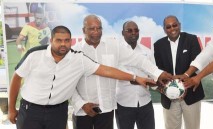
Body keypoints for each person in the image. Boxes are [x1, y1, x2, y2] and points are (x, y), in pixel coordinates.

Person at [7, 25, 156, 129]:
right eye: (59, 40)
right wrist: (12, 108)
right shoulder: (34, 54)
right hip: (30, 111)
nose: (63, 44)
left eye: (67, 40)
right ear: (51, 40)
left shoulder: (78, 58)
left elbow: (106, 70)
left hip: (57, 112)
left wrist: (135, 77)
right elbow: (16, 78)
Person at [71, 15, 172, 129]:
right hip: (83, 111)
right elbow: (69, 84)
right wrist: (81, 104)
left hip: (106, 110)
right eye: (92, 28)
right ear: (83, 30)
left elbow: (138, 60)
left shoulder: (113, 46)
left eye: (99, 28)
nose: (96, 31)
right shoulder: (74, 51)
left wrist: (158, 73)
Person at [154, 15, 205, 129]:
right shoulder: (158, 45)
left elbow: (198, 61)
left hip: (191, 94)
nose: (172, 29)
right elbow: (159, 69)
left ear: (179, 25)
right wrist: (167, 87)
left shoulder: (191, 39)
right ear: (164, 29)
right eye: (168, 27)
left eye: (175, 25)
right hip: (169, 97)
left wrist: (185, 79)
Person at [115, 21, 155, 129]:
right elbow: (118, 73)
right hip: (123, 103)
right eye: (129, 30)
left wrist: (160, 84)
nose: (133, 33)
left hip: (145, 102)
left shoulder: (147, 51)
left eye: (136, 30)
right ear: (123, 33)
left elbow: (153, 75)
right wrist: (137, 79)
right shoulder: (116, 51)